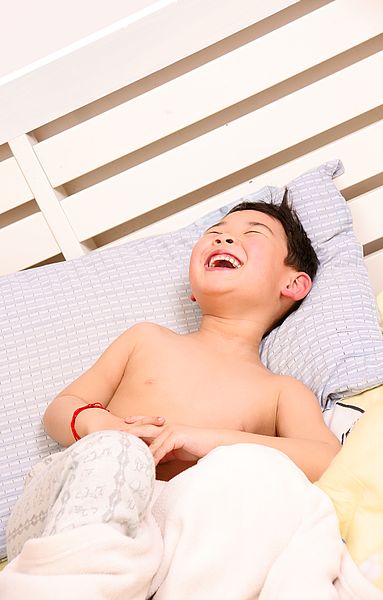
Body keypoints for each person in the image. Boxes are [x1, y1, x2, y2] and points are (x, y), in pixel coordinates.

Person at [2, 190, 344, 599]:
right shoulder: (147, 340)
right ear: (193, 292)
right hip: (64, 516)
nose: (223, 239)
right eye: (215, 233)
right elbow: (61, 410)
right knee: (119, 455)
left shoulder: (279, 391)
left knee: (261, 478)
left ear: (294, 284)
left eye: (252, 233)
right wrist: (106, 428)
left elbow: (325, 458)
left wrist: (203, 441)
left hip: (166, 541)